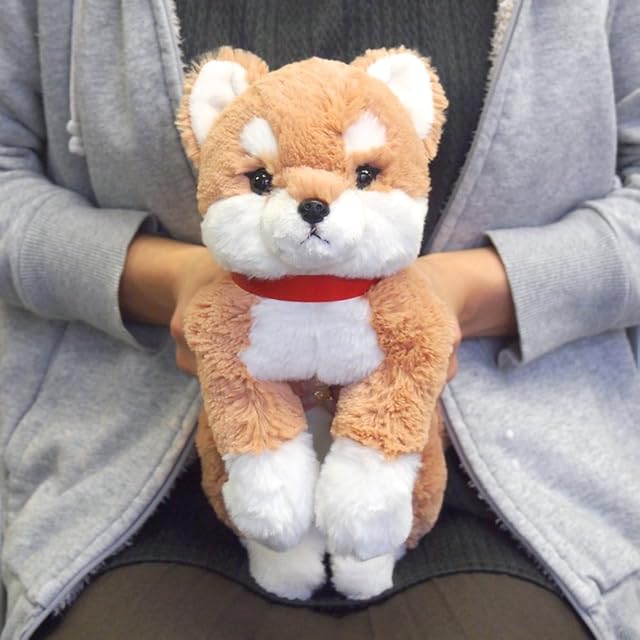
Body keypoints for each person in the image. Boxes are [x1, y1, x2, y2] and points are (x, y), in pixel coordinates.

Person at [1, 1, 638, 638]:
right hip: (137, 473)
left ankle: (371, 499)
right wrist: (171, 283)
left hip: (521, 481)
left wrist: (463, 294)